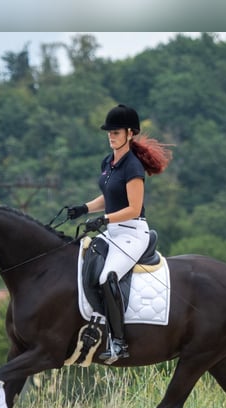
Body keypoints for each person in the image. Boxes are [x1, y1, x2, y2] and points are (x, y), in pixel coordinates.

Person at [67, 104, 172, 363]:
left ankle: (118, 342)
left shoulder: (133, 166)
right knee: (82, 260)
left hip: (132, 233)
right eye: (109, 132)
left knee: (108, 276)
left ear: (130, 133)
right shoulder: (109, 162)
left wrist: (103, 219)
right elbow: (110, 196)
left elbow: (133, 208)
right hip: (113, 231)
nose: (111, 136)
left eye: (116, 132)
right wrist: (84, 208)